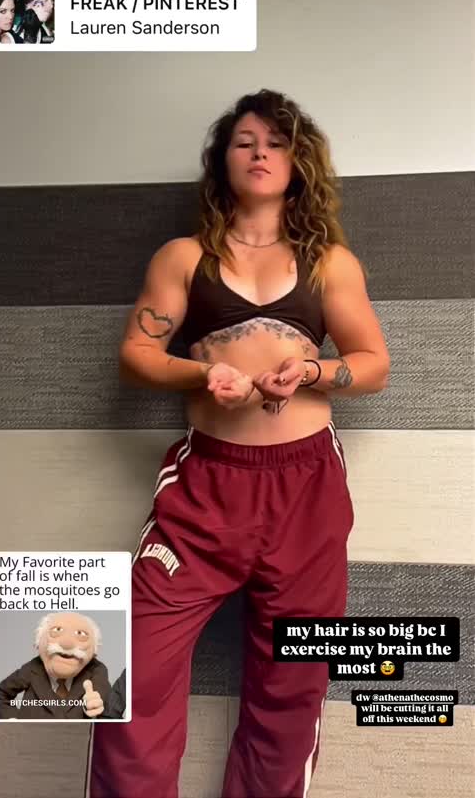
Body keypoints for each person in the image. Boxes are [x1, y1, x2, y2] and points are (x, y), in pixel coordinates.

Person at [85, 89, 390, 797]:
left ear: (298, 161)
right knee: (130, 663)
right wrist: (203, 372)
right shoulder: (184, 256)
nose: (260, 153)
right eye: (245, 141)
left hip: (307, 487)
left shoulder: (329, 262)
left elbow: (373, 364)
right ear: (223, 160)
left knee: (294, 680)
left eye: (276, 142)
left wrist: (310, 371)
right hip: (207, 487)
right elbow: (136, 355)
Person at [0, 612, 111, 720]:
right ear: (38, 642)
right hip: (31, 731)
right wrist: (13, 720)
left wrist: (95, 704)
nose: (67, 644)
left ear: (94, 650)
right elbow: (0, 694)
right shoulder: (32, 669)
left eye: (80, 634)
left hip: (75, 732)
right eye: (57, 630)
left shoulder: (96, 670)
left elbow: (103, 697)